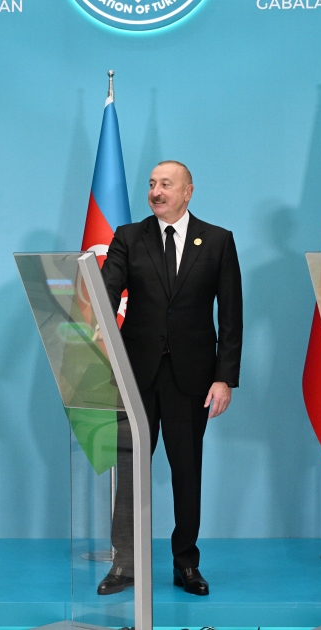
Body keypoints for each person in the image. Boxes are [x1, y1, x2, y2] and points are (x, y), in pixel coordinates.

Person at [97, 160, 242, 596]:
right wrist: (92, 308)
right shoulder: (128, 236)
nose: (156, 192)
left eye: (165, 184)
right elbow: (107, 290)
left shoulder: (217, 240)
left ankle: (186, 563)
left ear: (188, 191)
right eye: (151, 184)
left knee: (186, 472)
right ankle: (124, 563)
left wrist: (224, 378)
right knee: (130, 471)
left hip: (192, 378)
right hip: (136, 375)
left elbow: (231, 315)